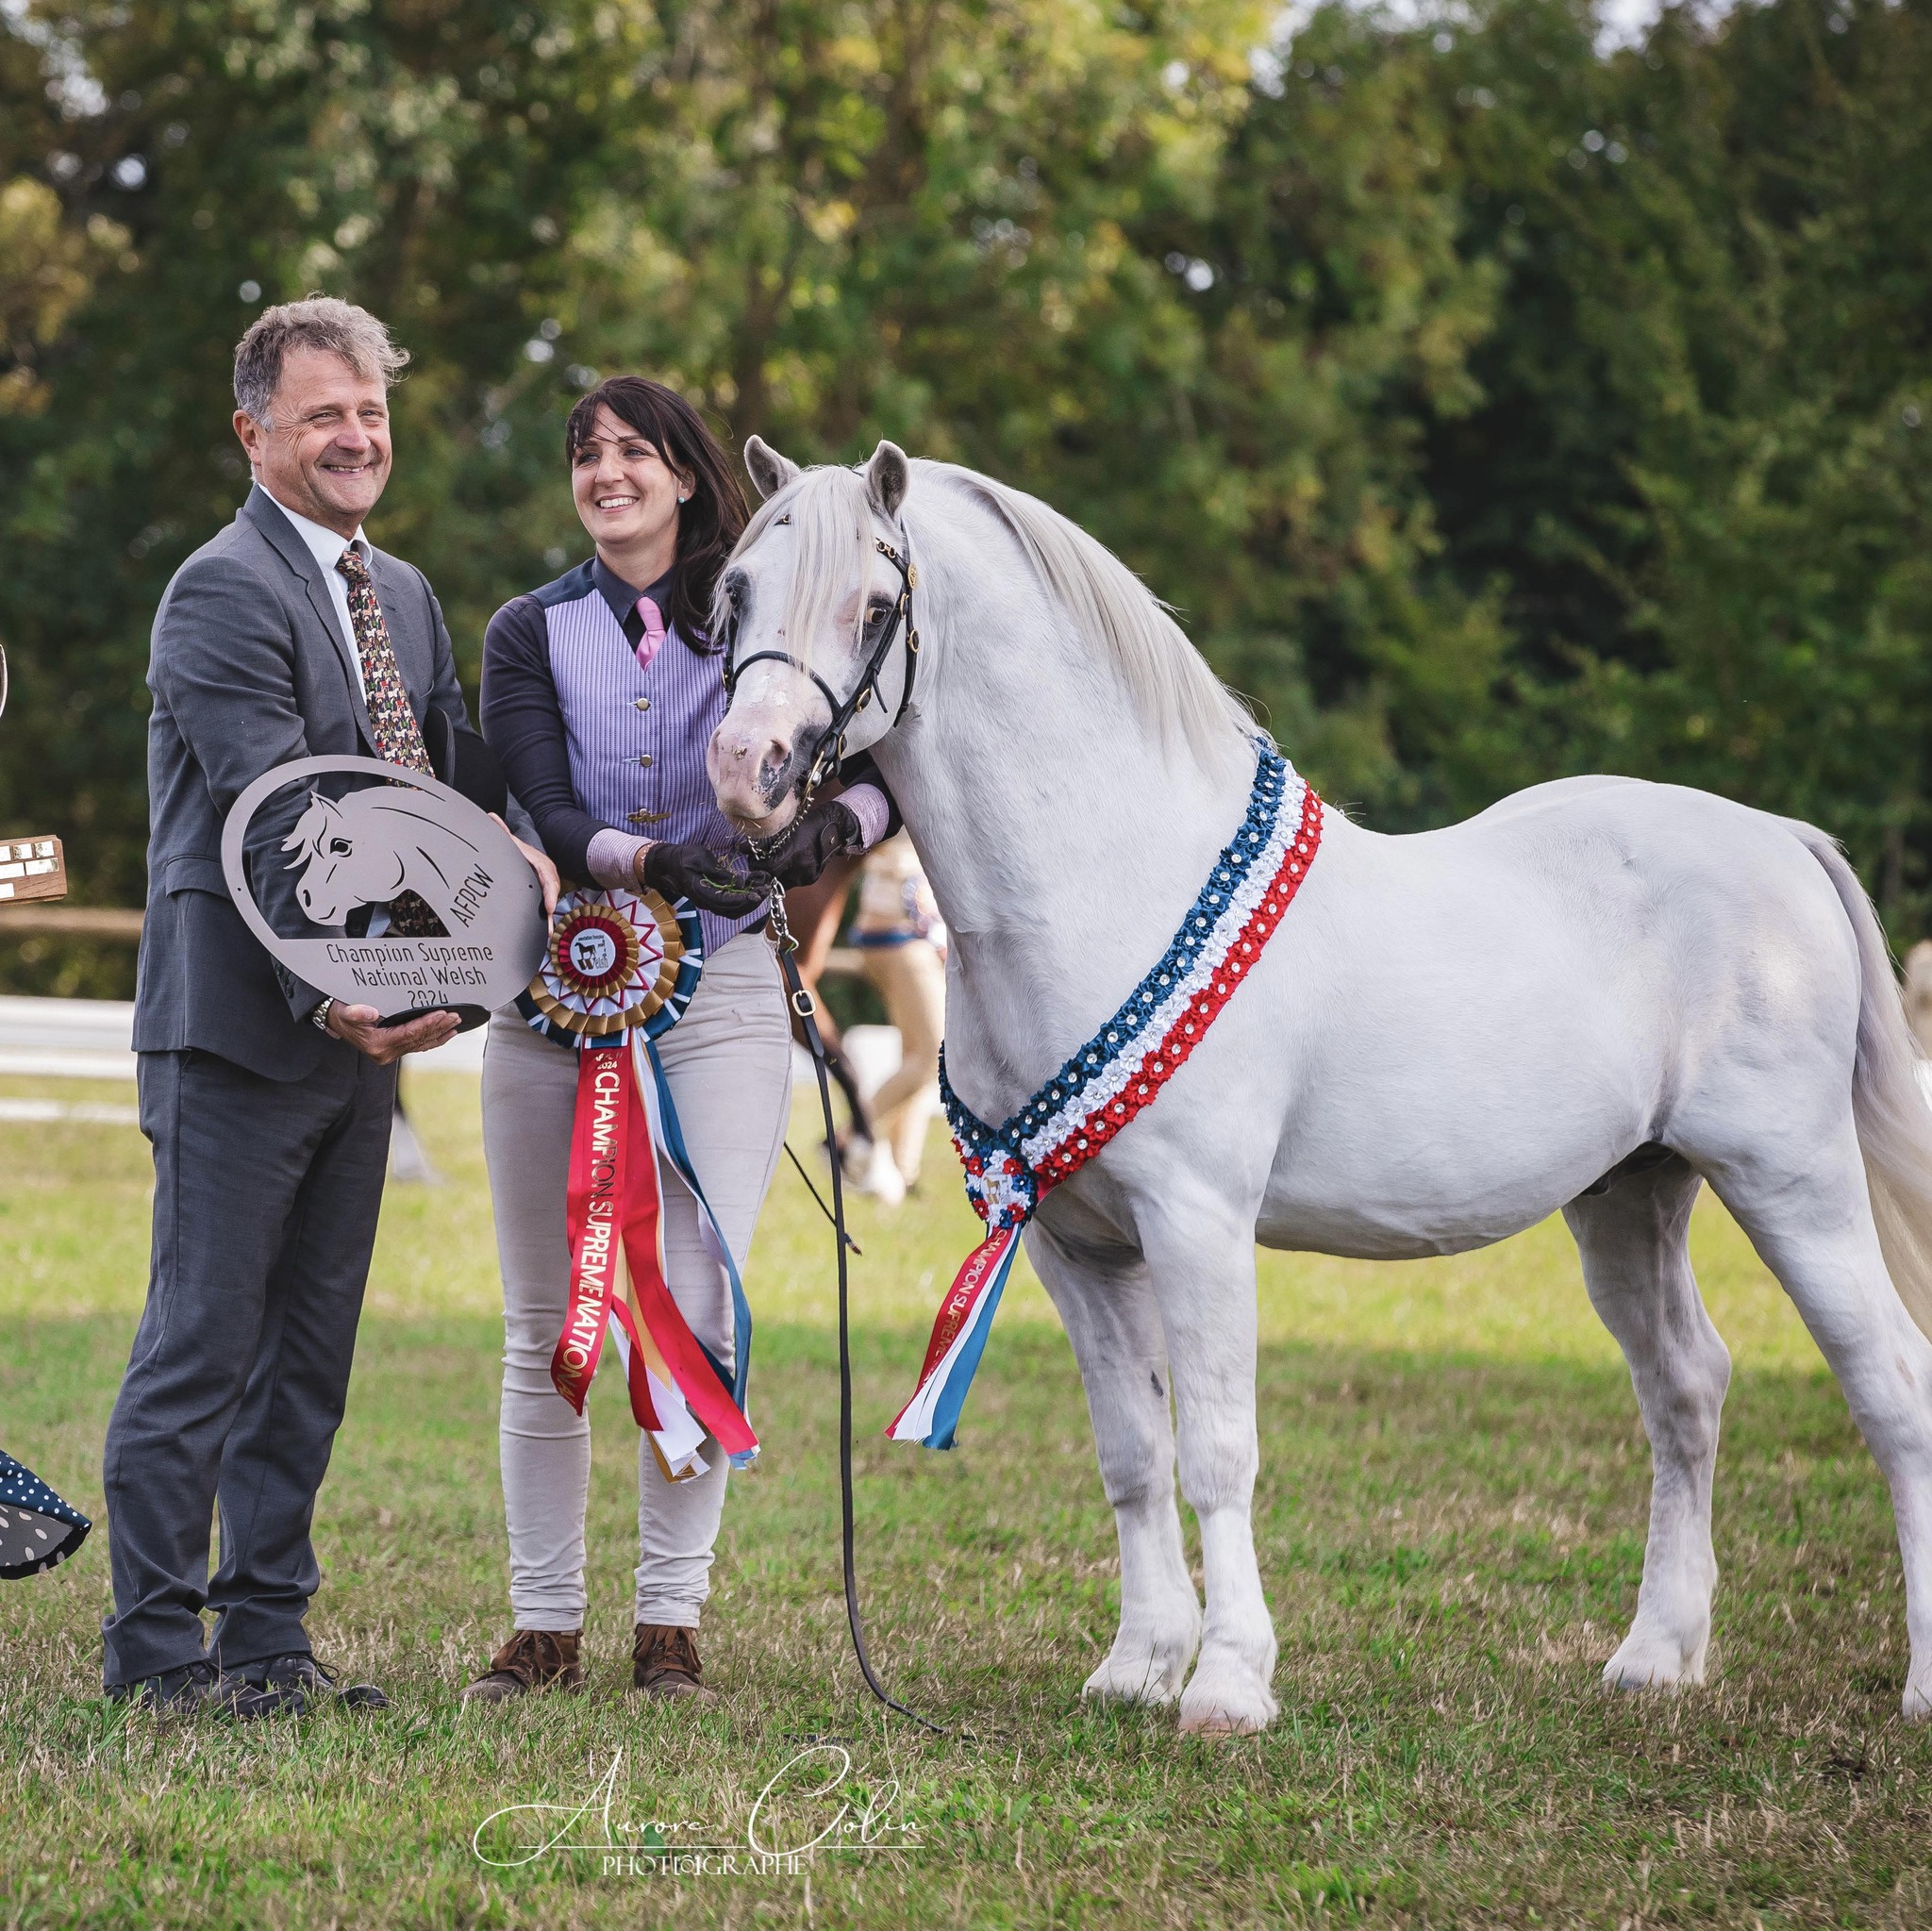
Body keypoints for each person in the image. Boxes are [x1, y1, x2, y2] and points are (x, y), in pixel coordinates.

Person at [101, 297, 558, 1717]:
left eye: (369, 411)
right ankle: (159, 1654)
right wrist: (338, 988)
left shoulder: (401, 592)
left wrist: (550, 843)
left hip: (372, 1031)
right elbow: (273, 810)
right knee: (203, 1342)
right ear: (255, 434)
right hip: (241, 1028)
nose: (356, 436)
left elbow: (444, 775)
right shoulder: (222, 589)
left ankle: (269, 1643)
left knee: (308, 1354)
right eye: (323, 415)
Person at [468, 377, 891, 1704]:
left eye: (634, 451)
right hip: (552, 1002)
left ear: (690, 475)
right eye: (585, 453)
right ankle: (543, 1620)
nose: (607, 472)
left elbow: (887, 747)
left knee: (694, 1298)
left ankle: (670, 1622)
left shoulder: (758, 606)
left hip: (723, 1001)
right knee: (548, 1319)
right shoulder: (526, 628)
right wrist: (651, 859)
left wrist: (846, 831)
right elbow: (535, 791)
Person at [851, 830, 947, 1200]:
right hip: (901, 927)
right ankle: (848, 1137)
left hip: (899, 928)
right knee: (931, 1057)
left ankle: (903, 1169)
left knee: (917, 1059)